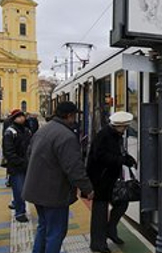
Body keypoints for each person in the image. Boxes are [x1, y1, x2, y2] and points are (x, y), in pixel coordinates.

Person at [23, 101, 94, 253]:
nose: (75, 120)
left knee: (44, 227)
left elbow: (29, 154)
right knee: (56, 232)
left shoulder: (43, 130)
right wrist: (87, 188)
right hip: (53, 193)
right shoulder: (67, 136)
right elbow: (74, 168)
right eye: (74, 116)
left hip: (35, 189)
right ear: (69, 116)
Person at [87, 111, 137, 253]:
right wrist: (122, 160)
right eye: (124, 127)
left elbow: (118, 152)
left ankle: (111, 230)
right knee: (99, 213)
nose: (125, 130)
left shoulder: (116, 136)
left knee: (122, 203)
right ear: (118, 126)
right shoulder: (104, 135)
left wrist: (127, 158)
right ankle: (98, 243)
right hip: (100, 180)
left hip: (111, 179)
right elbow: (100, 156)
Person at [3, 108, 32, 223]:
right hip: (16, 167)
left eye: (22, 116)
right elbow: (8, 152)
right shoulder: (10, 132)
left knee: (23, 189)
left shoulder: (26, 131)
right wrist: (21, 162)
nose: (22, 118)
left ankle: (17, 204)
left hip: (27, 165)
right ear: (14, 119)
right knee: (19, 189)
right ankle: (20, 212)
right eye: (19, 117)